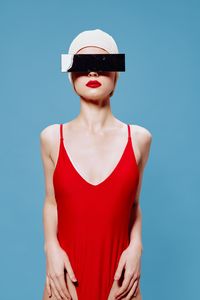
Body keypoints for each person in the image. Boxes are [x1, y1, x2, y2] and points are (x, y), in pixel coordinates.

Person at [40, 29, 152, 300]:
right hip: (65, 284)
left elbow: (134, 206)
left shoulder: (139, 138)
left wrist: (137, 247)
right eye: (83, 65)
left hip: (121, 284)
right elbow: (52, 202)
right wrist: (50, 249)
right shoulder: (52, 137)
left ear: (116, 76)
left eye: (102, 65)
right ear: (71, 75)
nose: (92, 73)